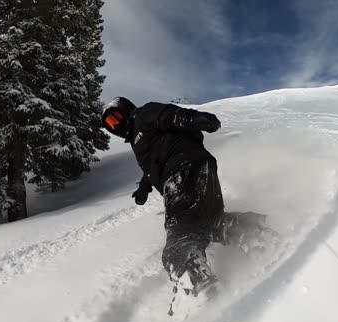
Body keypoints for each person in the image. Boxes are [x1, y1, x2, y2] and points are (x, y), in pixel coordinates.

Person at [101, 96, 271, 299]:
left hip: (182, 172)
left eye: (116, 118)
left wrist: (196, 118)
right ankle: (260, 235)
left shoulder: (144, 114)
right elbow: (152, 166)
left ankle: (200, 287)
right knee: (211, 222)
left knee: (180, 233)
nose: (116, 125)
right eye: (111, 125)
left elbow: (170, 115)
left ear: (126, 109)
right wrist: (144, 188)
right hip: (200, 167)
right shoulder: (140, 139)